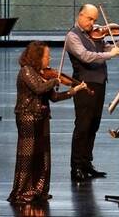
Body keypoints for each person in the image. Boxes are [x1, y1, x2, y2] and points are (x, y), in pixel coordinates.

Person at [8, 41, 88, 204]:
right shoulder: (26, 72)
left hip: (43, 117)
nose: (50, 58)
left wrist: (74, 90)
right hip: (27, 117)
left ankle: (39, 190)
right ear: (37, 57)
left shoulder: (43, 74)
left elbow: (54, 97)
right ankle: (20, 193)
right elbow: (38, 89)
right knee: (27, 156)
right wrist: (55, 80)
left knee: (43, 156)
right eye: (46, 55)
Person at [66, 4, 119, 182]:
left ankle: (87, 163)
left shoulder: (97, 37)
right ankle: (76, 167)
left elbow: (111, 50)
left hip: (99, 84)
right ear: (80, 15)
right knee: (82, 127)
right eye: (90, 19)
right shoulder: (72, 36)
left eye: (95, 20)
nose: (93, 24)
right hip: (84, 85)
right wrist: (110, 54)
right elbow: (86, 56)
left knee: (93, 126)